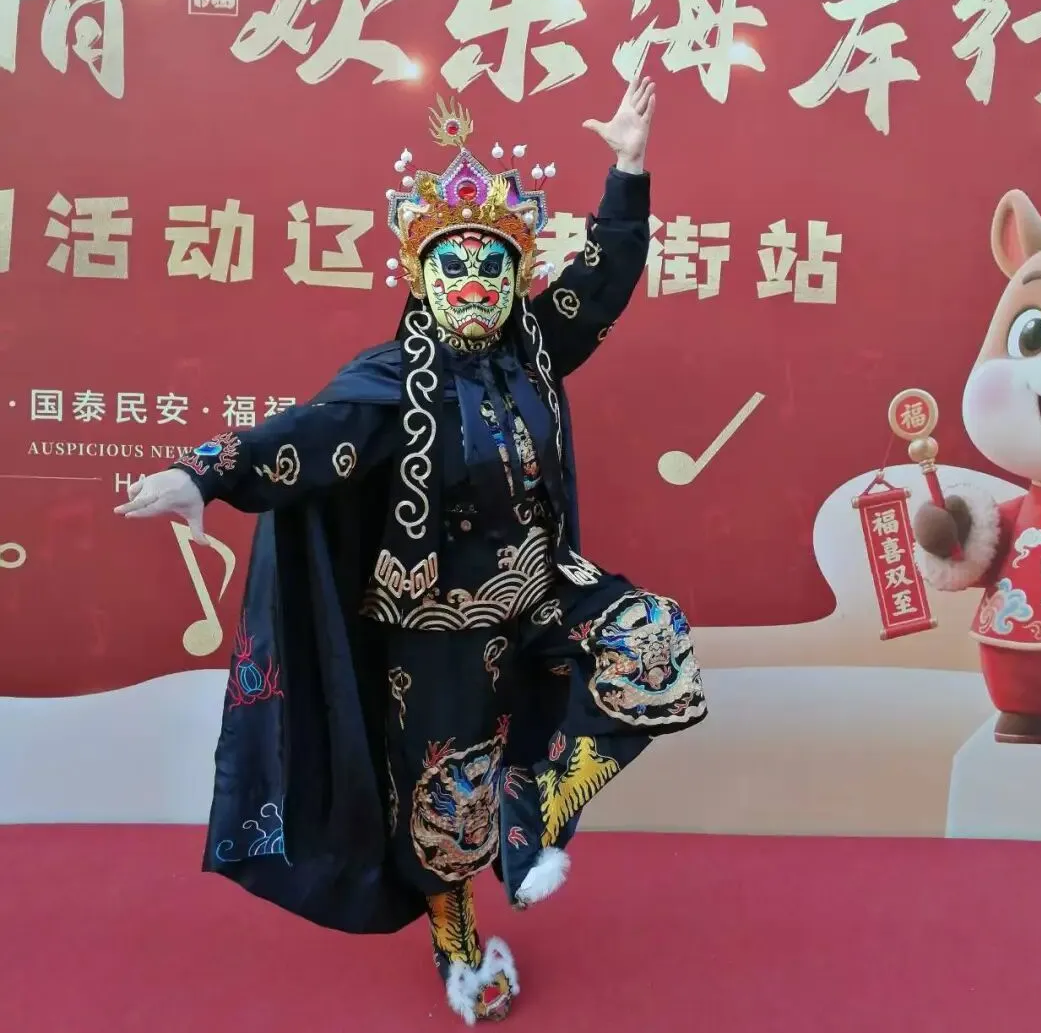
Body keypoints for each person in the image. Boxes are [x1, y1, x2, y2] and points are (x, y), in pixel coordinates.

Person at [116, 73, 707, 1025]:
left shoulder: (534, 348)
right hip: (435, 622)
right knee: (447, 806)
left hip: (542, 588)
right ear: (421, 279)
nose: (474, 284)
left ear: (516, 277)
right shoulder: (391, 380)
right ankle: (459, 945)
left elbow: (602, 280)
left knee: (653, 641)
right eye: (453, 267)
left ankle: (542, 800)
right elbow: (309, 434)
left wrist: (628, 170)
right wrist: (206, 472)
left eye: (492, 267)